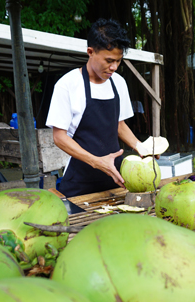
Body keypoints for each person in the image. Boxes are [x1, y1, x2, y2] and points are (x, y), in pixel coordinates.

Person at [46, 18, 145, 198]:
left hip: (116, 178)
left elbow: (118, 125)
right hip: (80, 181)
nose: (114, 67)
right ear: (90, 52)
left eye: (118, 61)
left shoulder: (119, 83)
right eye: (109, 60)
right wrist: (97, 162)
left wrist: (141, 147)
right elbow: (59, 137)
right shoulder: (68, 85)